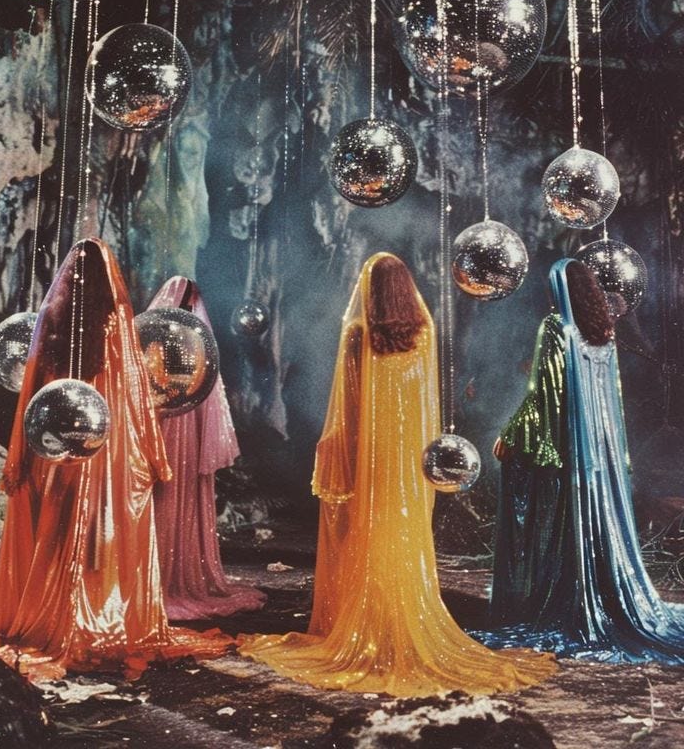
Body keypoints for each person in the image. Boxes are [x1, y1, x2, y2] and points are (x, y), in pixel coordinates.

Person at [239, 252, 556, 696]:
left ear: (370, 291)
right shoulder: (423, 332)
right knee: (403, 533)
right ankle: (403, 615)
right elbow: (427, 403)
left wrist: (339, 452)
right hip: (409, 459)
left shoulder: (357, 333)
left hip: (372, 456)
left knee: (369, 533)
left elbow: (348, 406)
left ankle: (370, 623)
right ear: (407, 289)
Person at [0, 239, 232, 680]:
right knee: (101, 538)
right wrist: (151, 456)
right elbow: (135, 400)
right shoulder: (116, 327)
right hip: (109, 456)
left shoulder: (52, 329)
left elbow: (31, 400)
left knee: (56, 535)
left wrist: (24, 457)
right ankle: (98, 612)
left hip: (57, 454)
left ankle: (59, 615)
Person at [489, 258, 684, 662]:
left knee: (560, 518)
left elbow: (545, 393)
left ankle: (559, 598)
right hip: (600, 454)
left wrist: (511, 435)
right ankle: (598, 593)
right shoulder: (602, 333)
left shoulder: (557, 327)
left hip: (569, 449)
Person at [146, 276, 266, 620]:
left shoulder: (169, 337)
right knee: (168, 494)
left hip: (175, 428)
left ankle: (164, 574)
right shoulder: (190, 339)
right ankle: (163, 574)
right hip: (172, 429)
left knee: (171, 494)